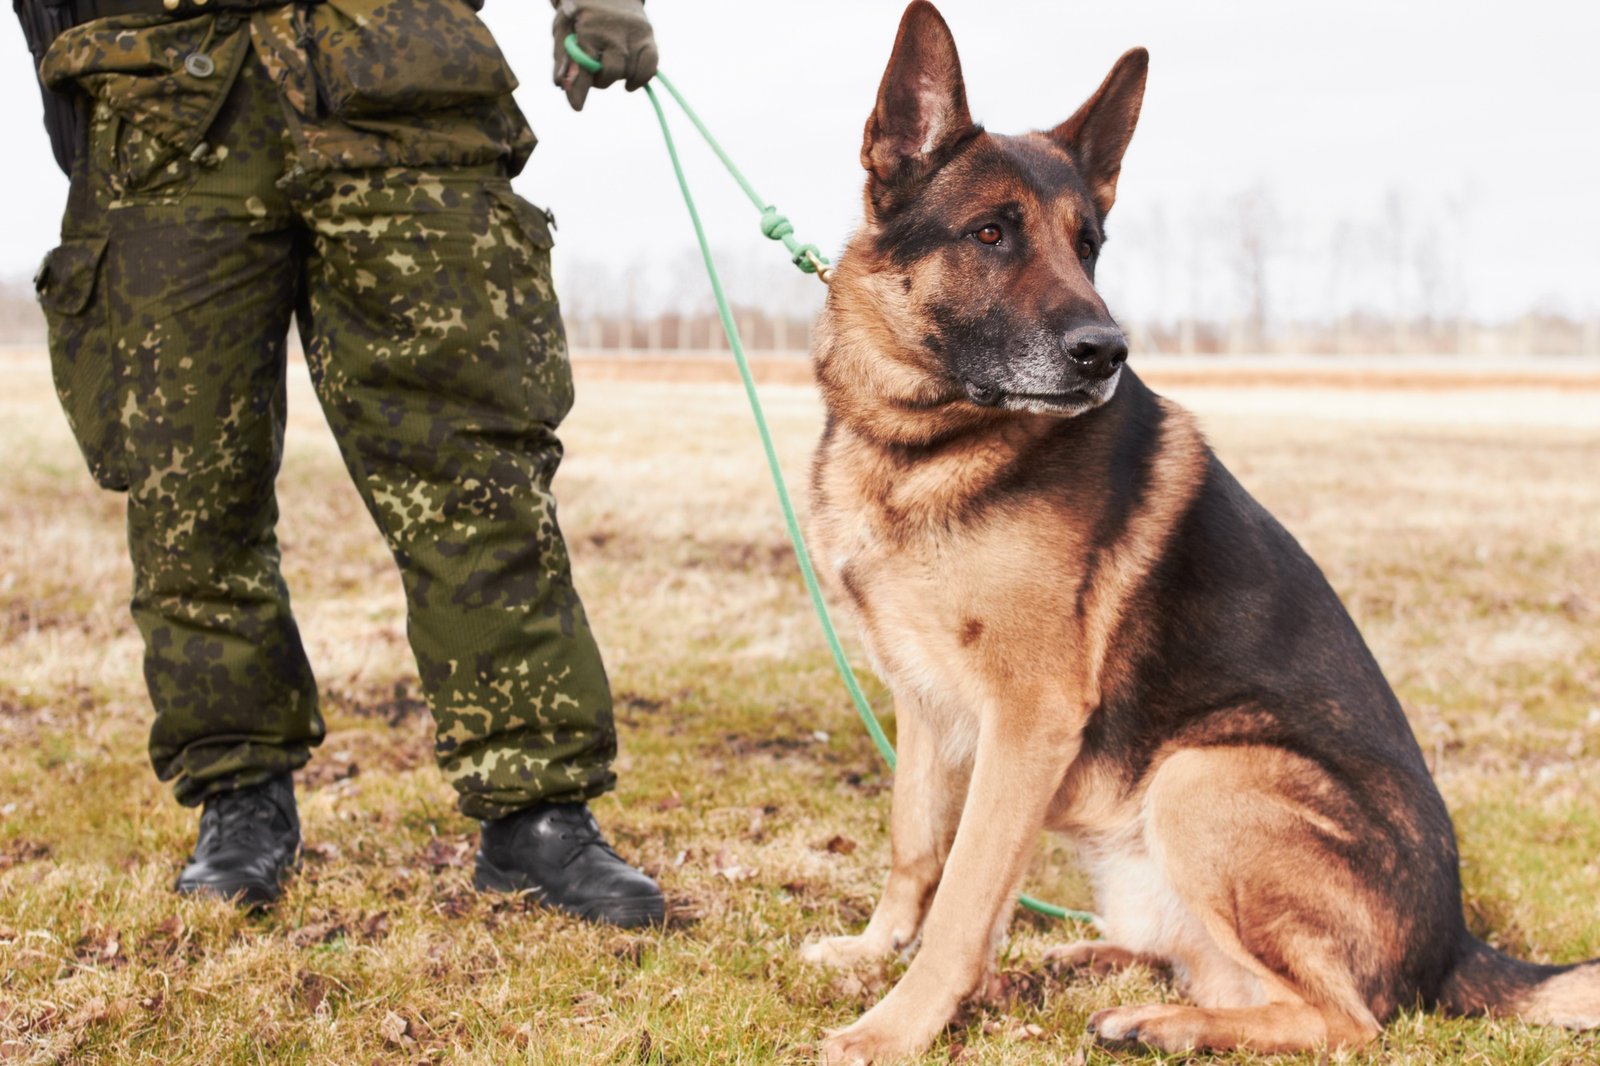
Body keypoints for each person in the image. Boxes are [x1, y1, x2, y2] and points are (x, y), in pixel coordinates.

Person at [23, 0, 664, 927]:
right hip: (162, 90)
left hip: (399, 71)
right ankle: (238, 800)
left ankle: (535, 812)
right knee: (188, 490)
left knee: (473, 473)